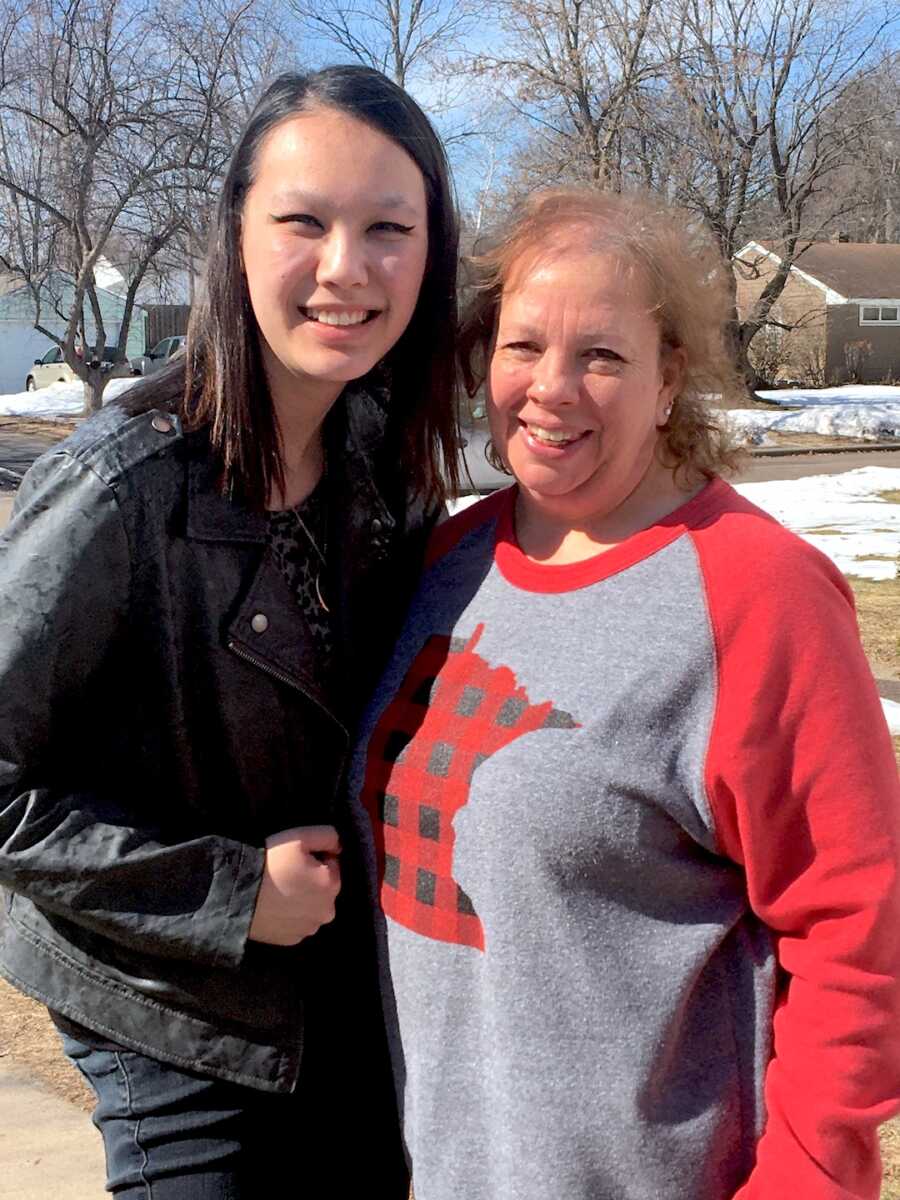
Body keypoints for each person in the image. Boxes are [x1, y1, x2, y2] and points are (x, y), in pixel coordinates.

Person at [346, 188, 900, 1200]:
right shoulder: (449, 561)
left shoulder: (755, 596)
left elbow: (860, 939)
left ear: (667, 378)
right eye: (522, 347)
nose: (551, 389)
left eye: (600, 354)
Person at [0, 65, 460, 1198]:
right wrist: (226, 891)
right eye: (304, 221)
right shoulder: (123, 486)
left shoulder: (382, 468)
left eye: (389, 228)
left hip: (348, 992)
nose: (346, 268)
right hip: (170, 1008)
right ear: (237, 236)